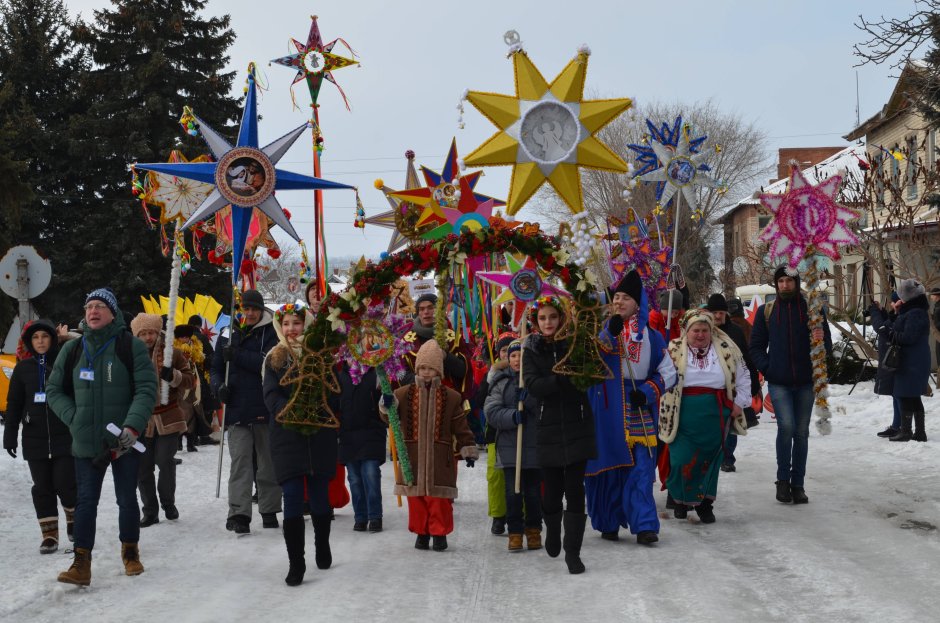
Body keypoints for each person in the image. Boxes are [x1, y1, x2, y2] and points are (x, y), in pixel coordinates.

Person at [47, 287, 158, 585]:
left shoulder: (129, 346)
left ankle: (131, 552)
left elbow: (147, 390)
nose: (93, 312)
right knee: (85, 501)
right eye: (89, 307)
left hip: (124, 441)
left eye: (99, 306)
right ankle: (81, 564)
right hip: (85, 441)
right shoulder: (72, 350)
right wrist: (74, 418)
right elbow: (54, 391)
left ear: (113, 312)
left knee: (126, 499)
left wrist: (132, 427)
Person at [585, 271, 676, 546]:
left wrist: (648, 391)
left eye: (626, 298)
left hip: (638, 405)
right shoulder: (600, 330)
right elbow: (588, 364)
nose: (620, 302)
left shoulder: (652, 336)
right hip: (606, 406)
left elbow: (669, 373)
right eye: (616, 297)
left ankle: (645, 524)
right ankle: (608, 521)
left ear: (638, 304)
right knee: (608, 466)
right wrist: (607, 333)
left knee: (642, 468)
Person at [263, 304, 338, 586]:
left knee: (319, 494)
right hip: (286, 435)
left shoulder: (321, 355)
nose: (292, 329)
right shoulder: (274, 359)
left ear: (306, 325)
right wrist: (294, 411)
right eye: (286, 324)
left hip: (320, 434)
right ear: (279, 327)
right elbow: (270, 396)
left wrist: (316, 411)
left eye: (297, 323)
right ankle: (297, 562)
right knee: (292, 496)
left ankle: (322, 544)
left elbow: (333, 392)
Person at [383, 339, 478, 553]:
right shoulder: (402, 394)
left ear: (439, 372)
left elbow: (460, 426)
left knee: (439, 500)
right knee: (416, 499)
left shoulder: (451, 397)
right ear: (417, 368)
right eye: (423, 368)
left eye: (431, 369)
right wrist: (385, 405)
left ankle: (440, 533)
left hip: (439, 458)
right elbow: (388, 417)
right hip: (412, 457)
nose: (426, 373)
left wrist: (467, 447)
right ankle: (422, 532)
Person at [523, 296, 596, 574]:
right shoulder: (531, 348)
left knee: (576, 490)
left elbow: (587, 376)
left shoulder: (575, 343)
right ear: (536, 321)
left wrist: (575, 376)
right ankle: (552, 528)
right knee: (552, 492)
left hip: (578, 423)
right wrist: (561, 379)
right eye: (542, 318)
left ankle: (573, 552)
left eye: (553, 317)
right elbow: (533, 384)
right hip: (548, 426)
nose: (548, 322)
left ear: (561, 318)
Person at [749, 266, 831, 505]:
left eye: (789, 281)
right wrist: (770, 368)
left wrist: (820, 340)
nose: (785, 285)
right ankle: (782, 480)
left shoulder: (812, 311)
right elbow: (755, 347)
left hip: (806, 382)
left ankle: (798, 484)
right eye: (781, 281)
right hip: (779, 382)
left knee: (801, 433)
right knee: (786, 427)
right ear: (776, 284)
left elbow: (825, 347)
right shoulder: (768, 312)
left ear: (796, 283)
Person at [659, 309, 750, 523]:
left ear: (711, 331)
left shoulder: (727, 349)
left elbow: (743, 377)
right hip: (682, 412)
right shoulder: (673, 349)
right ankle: (680, 499)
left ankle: (705, 505)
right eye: (695, 330)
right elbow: (661, 377)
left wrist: (739, 403)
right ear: (686, 331)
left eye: (704, 330)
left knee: (710, 461)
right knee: (681, 459)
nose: (700, 335)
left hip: (716, 413)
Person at [3, 319, 76, 554]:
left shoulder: (64, 361)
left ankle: (74, 523)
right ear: (29, 342)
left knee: (66, 483)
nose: (41, 341)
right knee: (42, 487)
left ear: (52, 339)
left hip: (64, 435)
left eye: (45, 336)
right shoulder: (23, 368)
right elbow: (13, 403)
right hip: (34, 437)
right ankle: (49, 535)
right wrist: (10, 435)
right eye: (35, 337)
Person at [211, 289, 281, 533]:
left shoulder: (272, 331)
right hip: (237, 407)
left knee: (267, 461)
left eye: (254, 309)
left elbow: (269, 362)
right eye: (246, 308)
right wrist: (218, 387)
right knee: (240, 461)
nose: (250, 313)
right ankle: (239, 513)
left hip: (264, 404)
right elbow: (216, 367)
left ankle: (269, 508)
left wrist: (238, 355)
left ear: (261, 309)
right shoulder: (227, 333)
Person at [131, 313, 196, 527]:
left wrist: (174, 375)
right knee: (142, 467)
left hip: (168, 418)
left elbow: (190, 381)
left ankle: (168, 503)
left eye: (151, 332)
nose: (148, 337)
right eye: (143, 333)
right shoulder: (130, 356)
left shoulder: (172, 354)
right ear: (137, 335)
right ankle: (150, 510)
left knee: (164, 461)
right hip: (141, 421)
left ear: (158, 333)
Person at [485, 339, 542, 552]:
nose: (518, 359)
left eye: (522, 355)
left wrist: (529, 400)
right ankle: (515, 532)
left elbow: (544, 409)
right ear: (508, 359)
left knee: (534, 492)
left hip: (534, 445)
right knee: (513, 492)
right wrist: (513, 416)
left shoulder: (536, 381)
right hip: (510, 446)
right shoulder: (501, 382)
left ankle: (534, 530)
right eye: (514, 356)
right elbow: (491, 411)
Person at [705, 293, 762, 472]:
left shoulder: (735, 331)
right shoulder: (702, 330)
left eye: (721, 312)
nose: (718, 316)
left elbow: (746, 358)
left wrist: (753, 383)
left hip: (732, 387)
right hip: (709, 387)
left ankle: (728, 458)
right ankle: (712, 455)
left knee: (731, 424)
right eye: (714, 312)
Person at [875, 279, 931, 442]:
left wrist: (892, 334)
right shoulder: (912, 311)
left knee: (905, 393)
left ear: (908, 296)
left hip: (913, 360)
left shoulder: (916, 313)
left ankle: (906, 432)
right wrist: (896, 313)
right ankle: (919, 433)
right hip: (913, 359)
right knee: (912, 395)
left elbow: (908, 337)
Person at [336, 357, 387, 533]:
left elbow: (386, 402)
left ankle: (375, 516)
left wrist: (387, 401)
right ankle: (360, 516)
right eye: (349, 355)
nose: (354, 360)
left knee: (370, 474)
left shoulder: (376, 375)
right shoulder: (339, 377)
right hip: (347, 435)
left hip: (371, 433)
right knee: (355, 478)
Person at [477, 331, 516, 536]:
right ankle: (498, 516)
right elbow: (479, 399)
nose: (508, 355)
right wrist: (491, 376)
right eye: (503, 350)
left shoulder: (525, 372)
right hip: (496, 433)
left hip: (520, 432)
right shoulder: (491, 374)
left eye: (512, 351)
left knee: (521, 476)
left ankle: (519, 515)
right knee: (496, 476)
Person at [402, 293, 471, 399]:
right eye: (421, 309)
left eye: (431, 307)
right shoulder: (407, 341)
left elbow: (463, 370)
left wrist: (446, 356)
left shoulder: (453, 338)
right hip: (417, 399)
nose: (426, 312)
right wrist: (422, 380)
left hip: (448, 399)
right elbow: (400, 374)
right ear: (418, 313)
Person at [869, 292, 902, 438]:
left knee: (899, 395)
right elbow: (888, 322)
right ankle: (896, 426)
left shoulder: (903, 316)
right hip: (891, 360)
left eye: (893, 302)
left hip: (895, 360)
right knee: (896, 394)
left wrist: (875, 312)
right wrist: (881, 311)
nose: (891, 304)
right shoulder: (897, 315)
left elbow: (882, 328)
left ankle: (901, 427)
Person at [930, 287, 940, 374]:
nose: (931, 297)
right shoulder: (937, 305)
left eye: (932, 295)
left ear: (937, 295)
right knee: (938, 353)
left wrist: (936, 325)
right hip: (937, 332)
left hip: (939, 332)